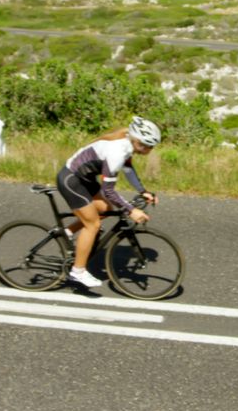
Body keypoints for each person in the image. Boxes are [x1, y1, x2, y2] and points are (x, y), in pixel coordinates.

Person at [56, 116, 161, 287]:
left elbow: (128, 170)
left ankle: (67, 232)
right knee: (93, 225)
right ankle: (78, 271)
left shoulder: (127, 145)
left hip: (85, 180)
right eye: (149, 146)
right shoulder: (117, 152)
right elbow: (108, 190)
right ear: (139, 142)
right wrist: (131, 210)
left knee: (105, 209)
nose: (149, 150)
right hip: (72, 180)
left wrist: (143, 191)